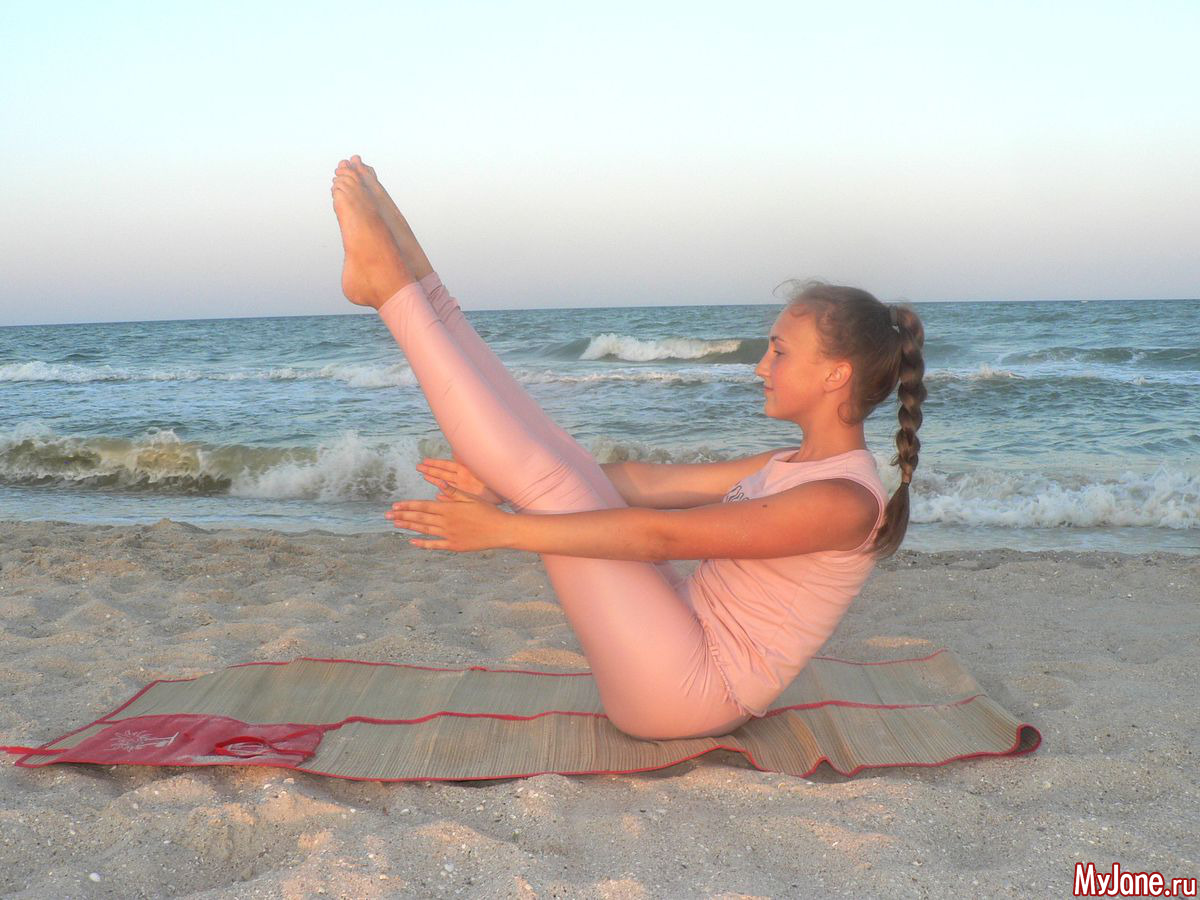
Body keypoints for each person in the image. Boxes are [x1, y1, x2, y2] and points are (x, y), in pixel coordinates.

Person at [330, 155, 928, 741]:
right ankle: (421, 286)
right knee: (562, 465)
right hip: (680, 638)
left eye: (780, 351)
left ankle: (393, 293)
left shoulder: (843, 501)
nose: (761, 367)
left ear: (836, 375)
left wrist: (504, 530)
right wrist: (504, 489)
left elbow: (662, 537)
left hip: (694, 693)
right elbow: (645, 483)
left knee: (555, 484)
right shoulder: (795, 466)